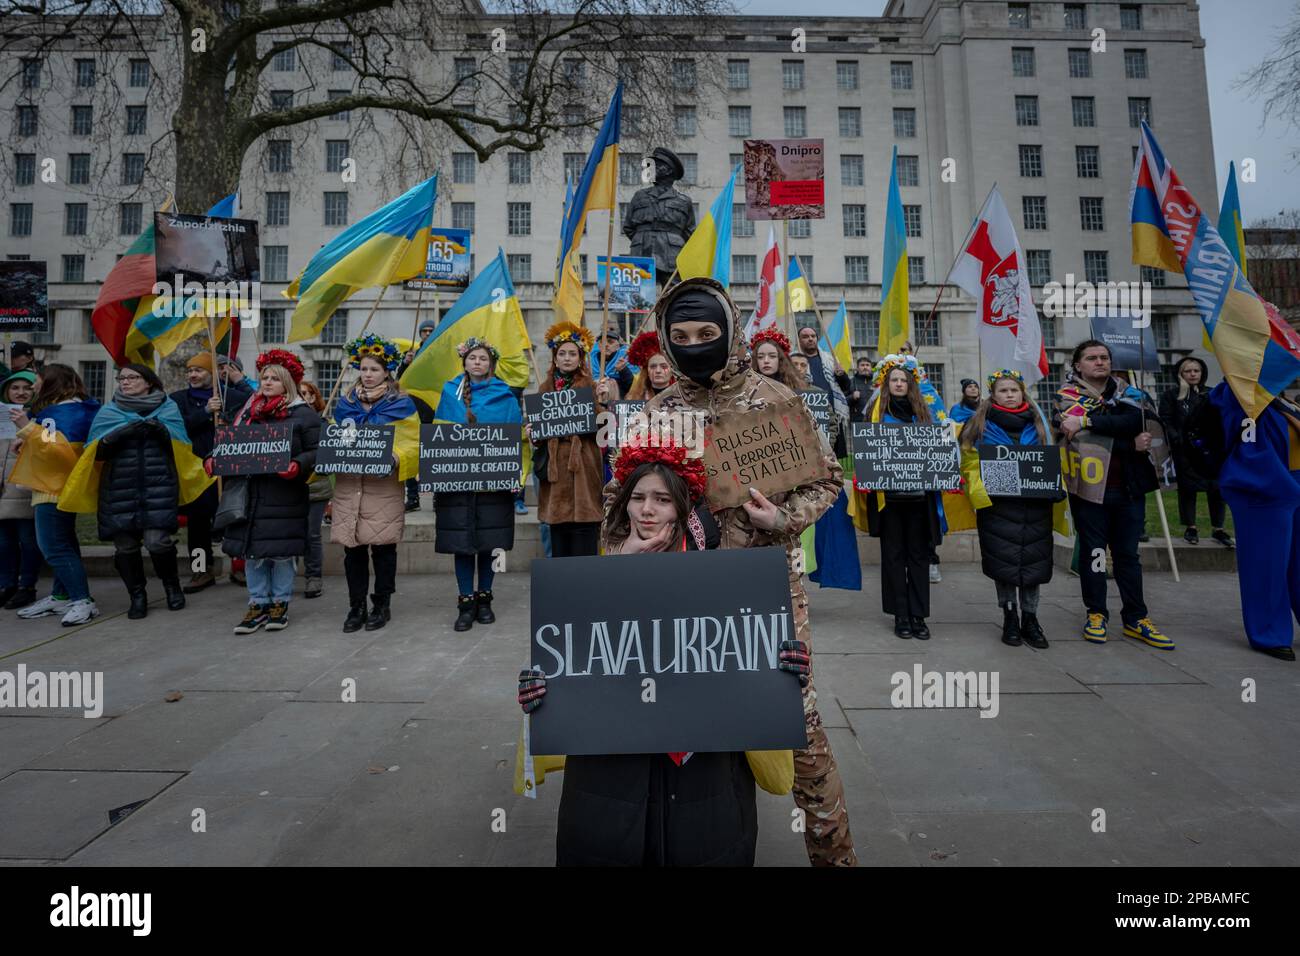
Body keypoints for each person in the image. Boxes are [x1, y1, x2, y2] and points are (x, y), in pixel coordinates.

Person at [604, 276, 856, 867]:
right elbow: (624, 500)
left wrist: (781, 517)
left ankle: (835, 857)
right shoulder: (660, 410)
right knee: (682, 721)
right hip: (681, 591)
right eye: (681, 336)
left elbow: (826, 481)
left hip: (766, 585)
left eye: (707, 333)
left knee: (800, 724)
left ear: (730, 332)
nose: (694, 344)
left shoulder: (775, 398)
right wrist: (626, 551)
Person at [517, 438, 809, 865]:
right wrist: (536, 687)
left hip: (703, 776)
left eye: (660, 500)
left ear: (682, 509)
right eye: (636, 498)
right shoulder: (586, 579)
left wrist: (783, 665)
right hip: (612, 775)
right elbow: (564, 660)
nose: (646, 510)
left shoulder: (724, 580)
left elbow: (749, 660)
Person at [63, 363, 211, 619]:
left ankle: (172, 587)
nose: (125, 382)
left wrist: (162, 431)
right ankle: (137, 595)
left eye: (132, 377)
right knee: (125, 547)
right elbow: (94, 452)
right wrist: (115, 437)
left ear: (149, 382)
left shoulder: (168, 408)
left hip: (159, 485)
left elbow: (182, 445)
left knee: (158, 541)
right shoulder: (109, 412)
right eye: (122, 378)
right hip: (119, 488)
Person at [1054, 340, 1171, 649]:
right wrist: (1127, 444)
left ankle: (1136, 617)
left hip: (1130, 488)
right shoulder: (1067, 397)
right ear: (1078, 365)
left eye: (1104, 357)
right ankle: (1096, 613)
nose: (1099, 362)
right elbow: (1078, 439)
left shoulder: (1131, 393)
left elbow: (1139, 421)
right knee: (1093, 555)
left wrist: (1088, 421)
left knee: (1128, 556)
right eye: (1091, 358)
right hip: (1089, 491)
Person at [207, 350, 319, 634]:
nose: (267, 382)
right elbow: (229, 442)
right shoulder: (246, 413)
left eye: (274, 379)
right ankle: (257, 603)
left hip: (284, 497)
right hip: (248, 494)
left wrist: (297, 464)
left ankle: (280, 603)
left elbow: (318, 451)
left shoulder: (303, 414)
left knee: (280, 554)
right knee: (253, 553)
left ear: (287, 383)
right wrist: (213, 458)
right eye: (264, 377)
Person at [959, 371, 1062, 648]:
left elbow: (1052, 457)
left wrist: (1054, 483)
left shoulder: (1039, 423)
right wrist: (982, 489)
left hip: (1034, 506)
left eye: (1014, 390)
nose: (1009, 394)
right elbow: (968, 461)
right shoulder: (978, 425)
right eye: (1003, 390)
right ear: (993, 394)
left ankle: (1031, 617)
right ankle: (1009, 616)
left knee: (1033, 563)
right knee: (1003, 564)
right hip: (998, 506)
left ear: (1022, 393)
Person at [331, 334, 420, 632]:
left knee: (383, 549)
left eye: (374, 370)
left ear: (386, 372)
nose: (368, 375)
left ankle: (381, 604)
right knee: (352, 550)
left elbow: (414, 443)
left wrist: (395, 458)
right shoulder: (345, 404)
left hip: (383, 488)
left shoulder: (401, 404)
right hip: (349, 487)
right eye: (364, 369)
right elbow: (334, 440)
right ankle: (355, 606)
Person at [432, 337, 522, 631]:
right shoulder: (449, 392)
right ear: (465, 362)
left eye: (483, 359)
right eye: (473, 358)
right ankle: (465, 602)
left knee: (489, 545)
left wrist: (516, 472)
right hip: (458, 484)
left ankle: (485, 599)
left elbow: (515, 437)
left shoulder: (505, 396)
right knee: (462, 545)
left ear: (491, 364)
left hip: (493, 486)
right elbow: (439, 434)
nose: (478, 363)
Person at [1210, 368, 1298, 661]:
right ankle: (1269, 632)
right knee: (1266, 566)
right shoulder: (1236, 393)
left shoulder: (1281, 400)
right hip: (1263, 490)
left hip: (1293, 486)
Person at [7, 365, 102, 625]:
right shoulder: (79, 409)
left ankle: (82, 601)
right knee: (65, 544)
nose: (32, 387)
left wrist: (27, 428)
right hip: (62, 487)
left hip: (53, 489)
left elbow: (56, 451)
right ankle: (62, 597)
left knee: (54, 548)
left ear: (51, 382)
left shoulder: (58, 413)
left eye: (36, 382)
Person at [861, 356, 943, 641]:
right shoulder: (875, 413)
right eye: (894, 380)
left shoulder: (925, 416)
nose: (898, 384)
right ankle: (900, 615)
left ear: (911, 386)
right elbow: (866, 452)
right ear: (886, 384)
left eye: (903, 380)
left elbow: (938, 454)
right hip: (890, 501)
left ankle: (919, 615)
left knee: (919, 557)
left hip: (920, 500)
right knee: (894, 557)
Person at [169, 352, 253, 593]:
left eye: (199, 370)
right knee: (197, 526)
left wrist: (238, 381)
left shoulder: (233, 397)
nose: (193, 375)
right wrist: (205, 412)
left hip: (230, 469)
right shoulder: (177, 400)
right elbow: (176, 428)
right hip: (195, 472)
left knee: (236, 518)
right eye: (190, 371)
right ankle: (200, 570)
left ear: (213, 374)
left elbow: (256, 406)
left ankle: (239, 567)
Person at [530, 322, 613, 558]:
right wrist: (534, 433)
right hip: (556, 473)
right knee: (559, 534)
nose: (567, 359)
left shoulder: (592, 386)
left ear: (581, 358)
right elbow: (540, 433)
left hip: (584, 468)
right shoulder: (545, 388)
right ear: (555, 358)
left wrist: (603, 403)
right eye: (562, 354)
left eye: (572, 354)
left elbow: (605, 433)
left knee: (585, 533)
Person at [1159, 356, 1232, 548]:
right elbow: (1165, 419)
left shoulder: (1212, 393)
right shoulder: (1172, 395)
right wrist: (1177, 439)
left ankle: (1219, 528)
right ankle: (1190, 527)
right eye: (1188, 371)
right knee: (1187, 489)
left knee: (1216, 489)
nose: (1192, 374)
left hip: (1211, 450)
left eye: (1196, 371)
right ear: (1180, 374)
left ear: (1202, 373)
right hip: (1184, 451)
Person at [0, 370, 40, 610]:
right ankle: (7, 584)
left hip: (25, 487)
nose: (21, 392)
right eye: (15, 388)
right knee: (3, 542)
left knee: (28, 540)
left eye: (26, 387)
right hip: (2, 490)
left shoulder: (39, 417)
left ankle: (27, 586)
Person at [398, 318, 438, 512]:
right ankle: (413, 497)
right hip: (413, 410)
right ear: (420, 334)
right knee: (410, 453)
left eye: (431, 331)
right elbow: (400, 379)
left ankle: (438, 496)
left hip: (434, 411)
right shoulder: (411, 354)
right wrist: (406, 363)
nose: (428, 334)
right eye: (425, 331)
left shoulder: (440, 353)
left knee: (435, 456)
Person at [297, 379, 331, 599]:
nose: (302, 397)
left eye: (306, 393)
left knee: (311, 534)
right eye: (298, 393)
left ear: (313, 397)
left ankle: (313, 576)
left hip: (316, 487)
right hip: (291, 486)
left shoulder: (323, 422)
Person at [623, 331, 675, 401]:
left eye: (664, 367)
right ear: (647, 370)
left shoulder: (683, 398)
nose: (658, 371)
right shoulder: (633, 398)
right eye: (653, 367)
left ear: (672, 370)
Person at [589, 328, 636, 398]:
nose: (606, 345)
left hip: (618, 402)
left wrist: (623, 370)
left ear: (618, 346)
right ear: (598, 345)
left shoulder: (625, 358)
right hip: (596, 402)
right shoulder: (590, 360)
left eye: (610, 342)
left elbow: (632, 386)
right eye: (602, 342)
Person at [849, 356, 873, 422]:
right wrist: (852, 397)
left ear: (871, 368)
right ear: (857, 368)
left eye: (867, 365)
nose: (865, 367)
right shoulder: (851, 382)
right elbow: (843, 401)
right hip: (857, 421)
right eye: (862, 365)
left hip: (875, 419)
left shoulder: (877, 382)